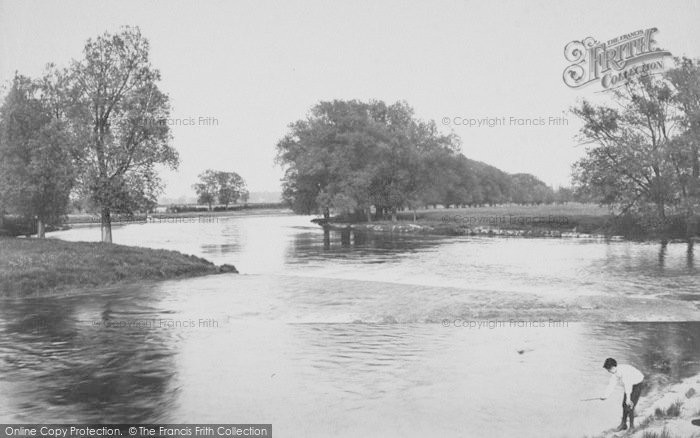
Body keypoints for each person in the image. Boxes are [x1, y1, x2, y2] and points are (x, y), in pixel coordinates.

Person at [600, 358, 645, 432]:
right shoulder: (615, 372)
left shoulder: (624, 372)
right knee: (624, 405)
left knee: (630, 405)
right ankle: (623, 424)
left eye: (608, 369)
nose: (608, 371)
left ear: (613, 367)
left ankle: (632, 427)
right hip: (630, 385)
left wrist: (628, 398)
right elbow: (611, 384)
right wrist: (605, 396)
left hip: (637, 383)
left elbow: (628, 384)